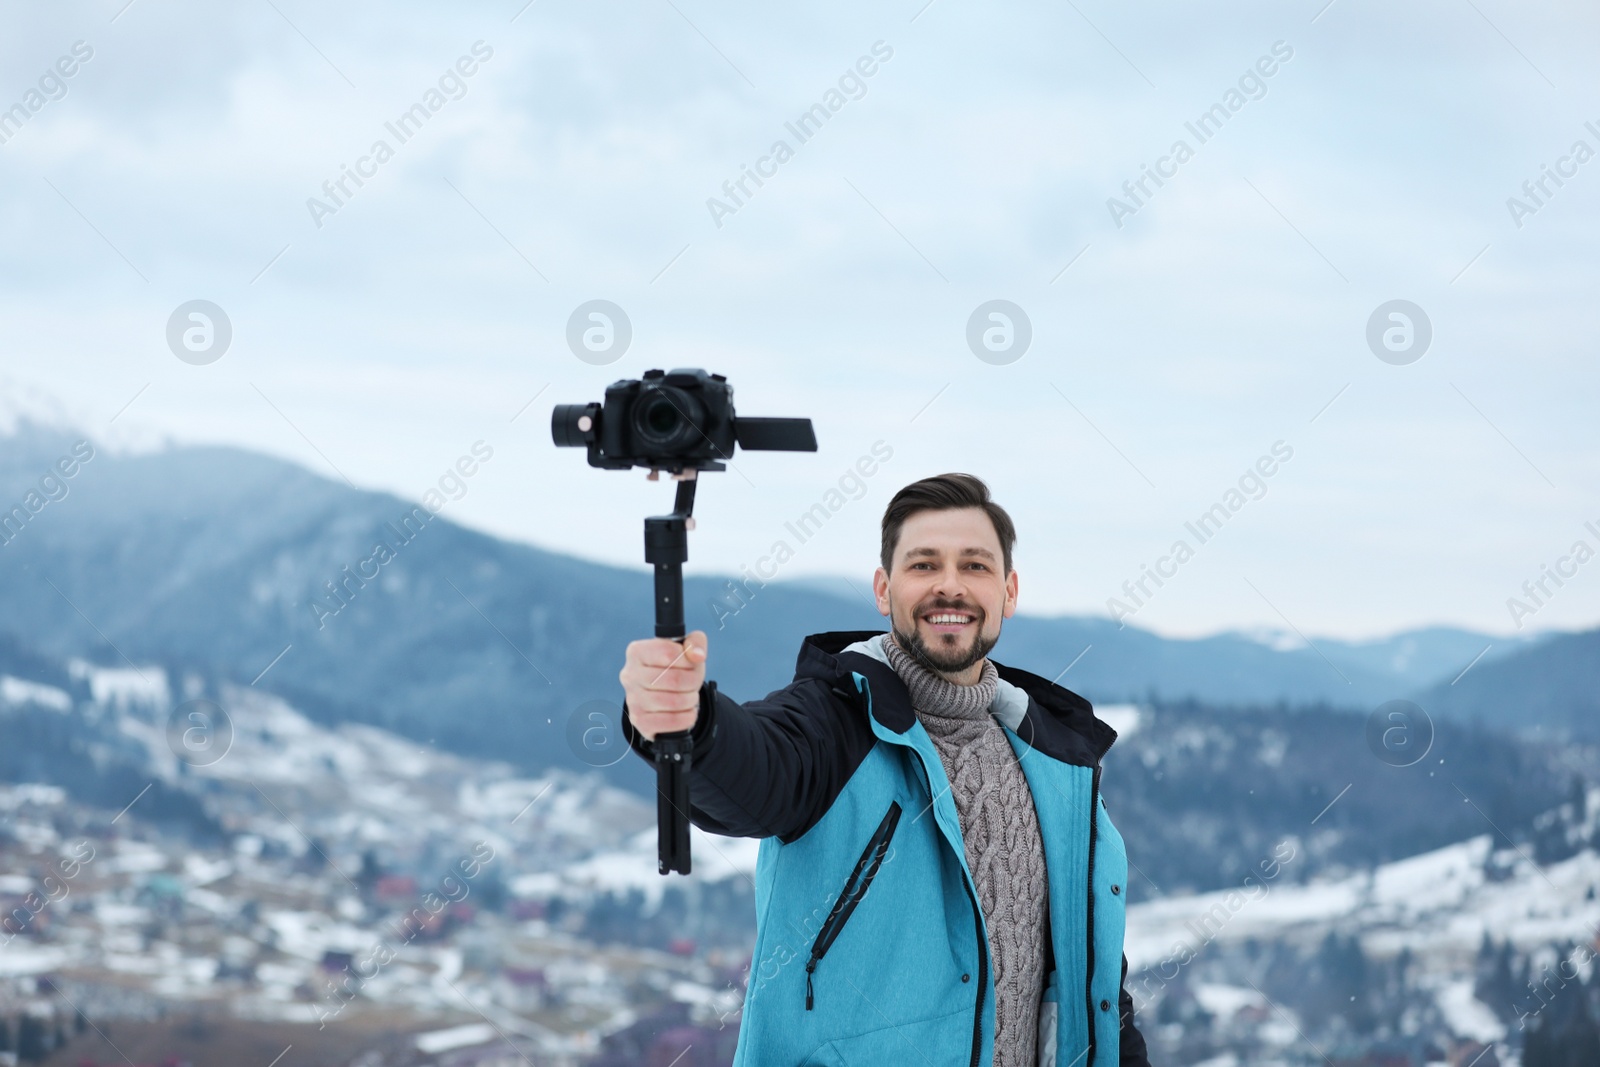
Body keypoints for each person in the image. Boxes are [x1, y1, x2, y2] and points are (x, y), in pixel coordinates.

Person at [620, 472, 1151, 1067]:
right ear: (883, 588)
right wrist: (690, 723)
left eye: (974, 566)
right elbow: (757, 771)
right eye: (923, 565)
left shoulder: (1057, 765)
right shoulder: (835, 723)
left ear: (1009, 590)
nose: (950, 587)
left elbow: (1097, 990)